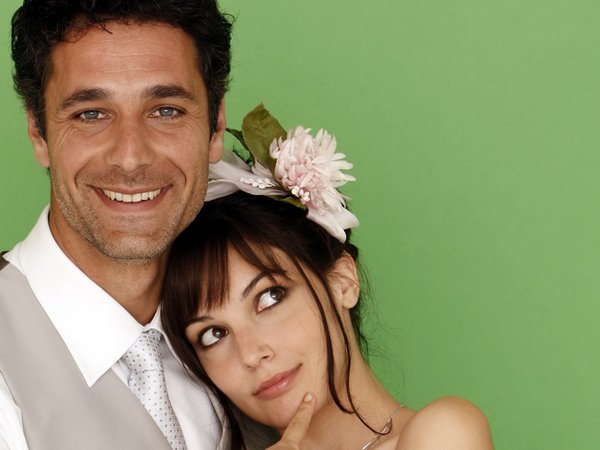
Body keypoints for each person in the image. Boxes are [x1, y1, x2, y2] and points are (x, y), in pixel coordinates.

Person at [0, 1, 275, 449]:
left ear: (215, 127)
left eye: (166, 110)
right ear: (38, 133)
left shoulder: (261, 335)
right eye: (91, 113)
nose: (131, 157)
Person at [161, 105, 495, 449]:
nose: (250, 354)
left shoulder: (445, 431)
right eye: (213, 334)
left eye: (270, 298)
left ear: (342, 282)